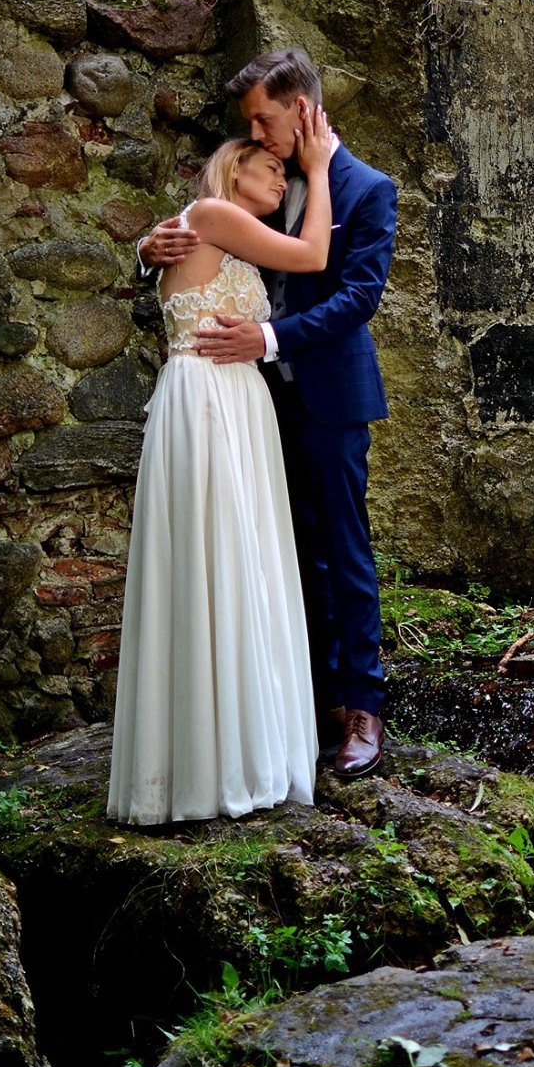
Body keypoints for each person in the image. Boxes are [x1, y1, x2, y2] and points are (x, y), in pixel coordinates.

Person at [139, 49, 398, 778]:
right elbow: (204, 248)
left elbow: (358, 299)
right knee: (283, 550)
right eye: (249, 121)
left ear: (302, 105)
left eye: (263, 116)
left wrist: (268, 337)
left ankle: (362, 709)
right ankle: (300, 704)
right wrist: (145, 248)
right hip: (249, 404)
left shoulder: (366, 188)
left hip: (327, 391)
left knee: (344, 548)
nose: (255, 131)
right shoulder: (258, 177)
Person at [108, 121, 336, 824]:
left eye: (290, 172)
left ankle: (233, 748)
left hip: (231, 402)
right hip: (208, 402)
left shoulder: (212, 228)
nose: (283, 178)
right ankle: (210, 766)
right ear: (232, 169)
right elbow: (313, 253)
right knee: (216, 559)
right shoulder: (209, 214)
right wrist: (321, 168)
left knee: (238, 564)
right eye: (269, 167)